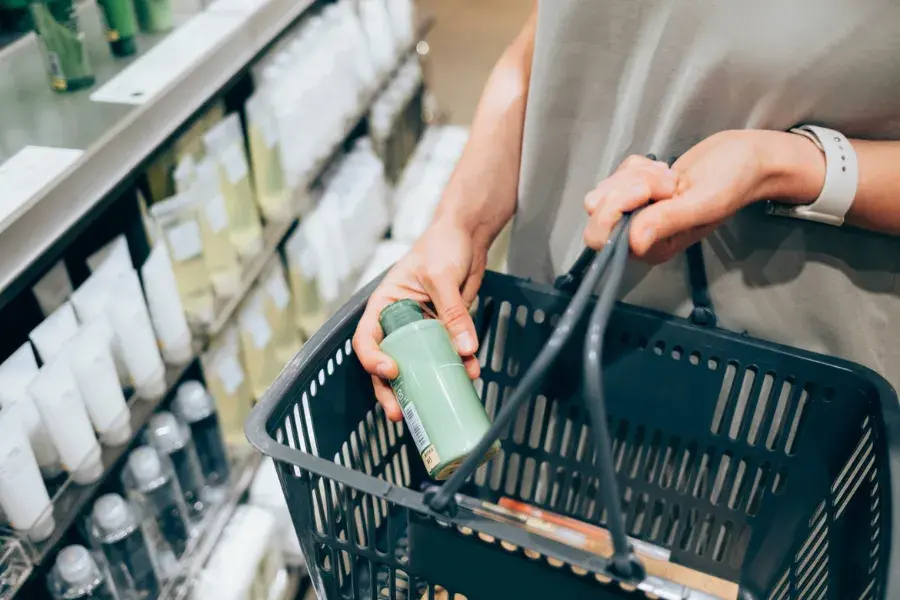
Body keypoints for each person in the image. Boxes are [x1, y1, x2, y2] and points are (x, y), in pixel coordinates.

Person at [354, 1, 900, 422]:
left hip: (784, 384)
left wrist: (782, 163)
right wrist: (460, 226)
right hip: (558, 323)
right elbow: (546, 45)